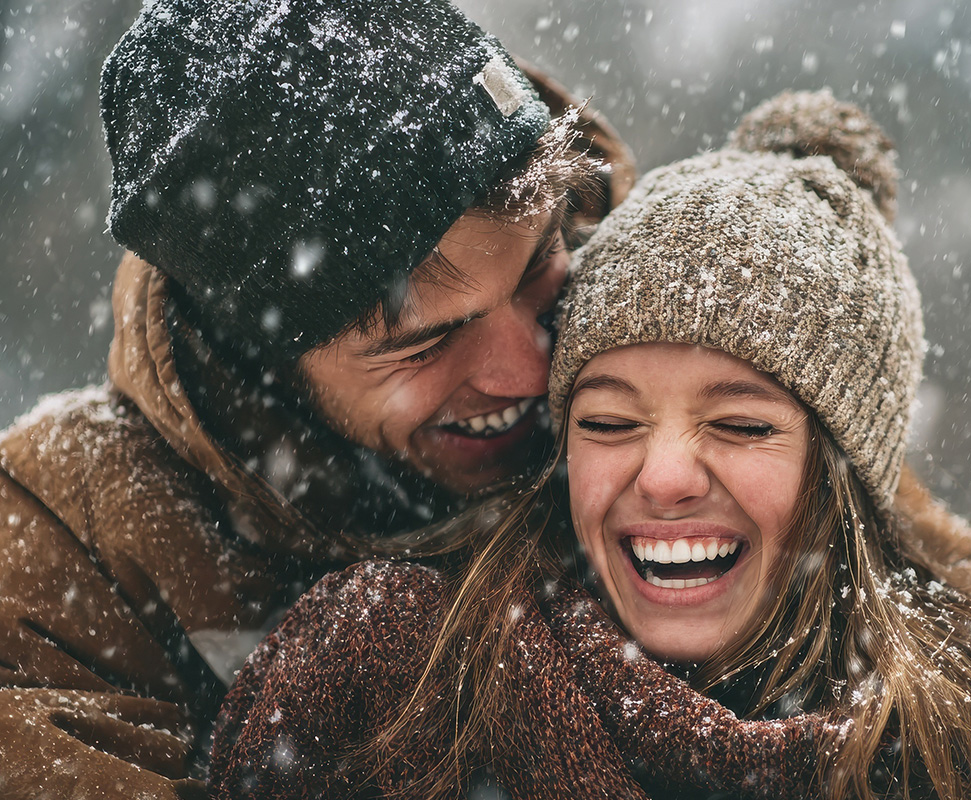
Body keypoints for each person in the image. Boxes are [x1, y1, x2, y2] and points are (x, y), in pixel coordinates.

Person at [208, 91, 971, 799]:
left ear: (840, 477)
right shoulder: (391, 676)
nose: (668, 474)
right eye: (607, 421)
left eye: (740, 423)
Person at [0, 0, 633, 795]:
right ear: (262, 361)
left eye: (542, 260)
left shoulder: (705, 343)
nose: (531, 366)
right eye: (426, 342)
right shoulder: (68, 554)